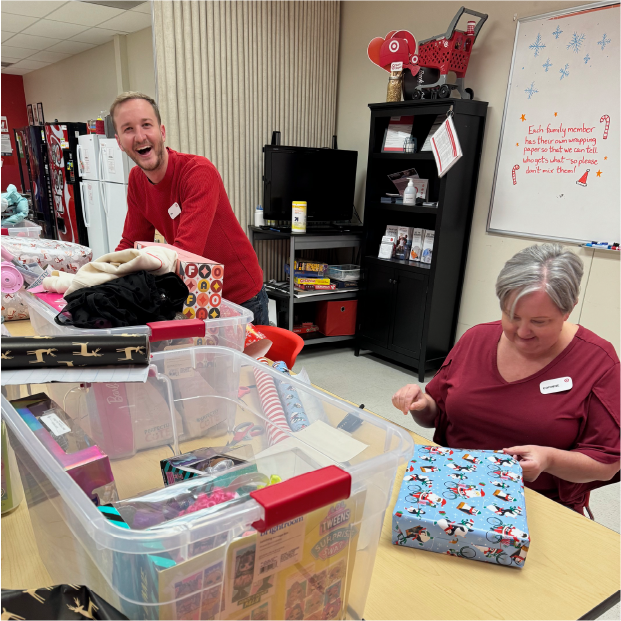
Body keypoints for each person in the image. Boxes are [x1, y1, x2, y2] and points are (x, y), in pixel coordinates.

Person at [392, 244, 621, 514]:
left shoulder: (598, 362)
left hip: (537, 505)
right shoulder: (476, 339)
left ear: (568, 310)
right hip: (450, 487)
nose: (522, 332)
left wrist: (549, 460)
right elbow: (436, 414)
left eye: (539, 321)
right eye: (512, 316)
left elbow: (607, 464)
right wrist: (422, 403)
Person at [109, 91, 268, 324]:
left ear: (161, 132)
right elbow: (131, 242)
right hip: (194, 293)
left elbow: (185, 253)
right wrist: (101, 273)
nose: (140, 136)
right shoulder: (136, 180)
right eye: (128, 129)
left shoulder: (198, 172)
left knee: (247, 361)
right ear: (119, 142)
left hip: (239, 295)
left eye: (146, 125)